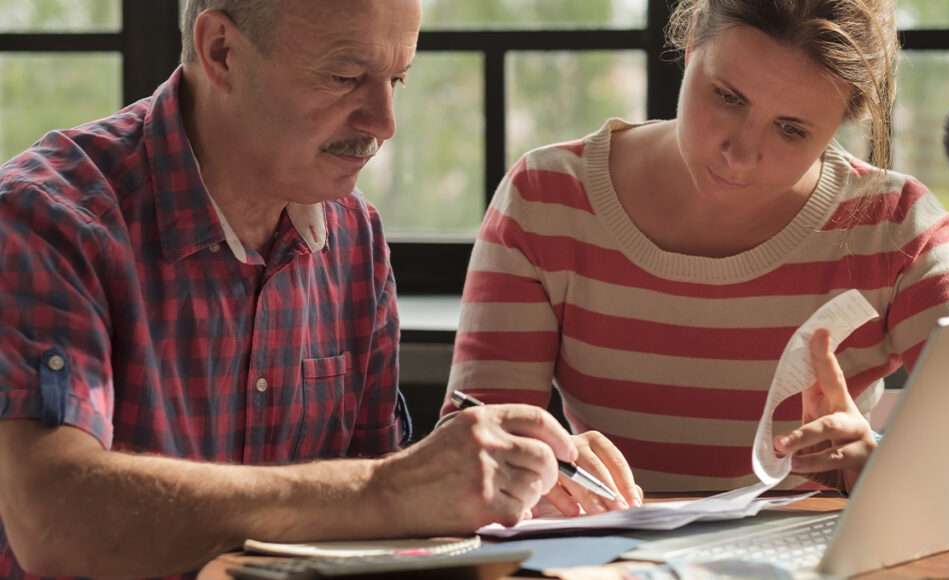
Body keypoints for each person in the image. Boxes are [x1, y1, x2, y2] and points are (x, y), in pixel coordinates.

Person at [0, 1, 582, 577]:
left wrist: (498, 484)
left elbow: (375, 533)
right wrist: (388, 489)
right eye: (344, 77)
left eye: (396, 80)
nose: (384, 123)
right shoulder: (47, 220)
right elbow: (55, 523)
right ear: (222, 51)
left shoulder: (354, 236)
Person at [444, 0, 949, 510]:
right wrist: (528, 470)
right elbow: (470, 450)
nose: (740, 153)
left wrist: (876, 462)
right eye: (728, 97)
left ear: (841, 123)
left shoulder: (896, 228)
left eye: (791, 130)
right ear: (690, 52)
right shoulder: (546, 199)